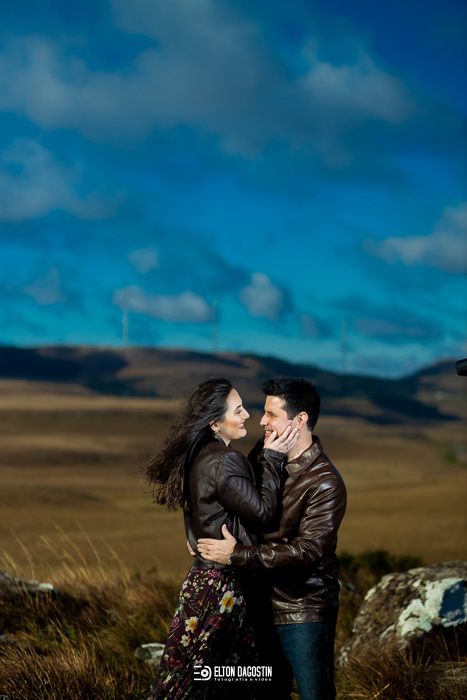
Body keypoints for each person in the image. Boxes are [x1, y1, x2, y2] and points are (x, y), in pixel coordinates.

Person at [145, 377, 298, 700]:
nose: (247, 416)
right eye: (237, 410)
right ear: (215, 423)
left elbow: (203, 507)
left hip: (207, 582)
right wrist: (273, 457)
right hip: (222, 588)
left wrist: (196, 536)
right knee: (189, 683)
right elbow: (263, 513)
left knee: (212, 679)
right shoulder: (225, 460)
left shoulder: (201, 455)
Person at [198, 377, 347, 700]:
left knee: (314, 695)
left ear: (300, 420)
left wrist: (236, 555)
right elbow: (234, 502)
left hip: (302, 609)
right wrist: (201, 534)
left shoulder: (325, 482)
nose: (262, 421)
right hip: (258, 605)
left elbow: (307, 552)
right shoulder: (264, 456)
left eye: (272, 414)